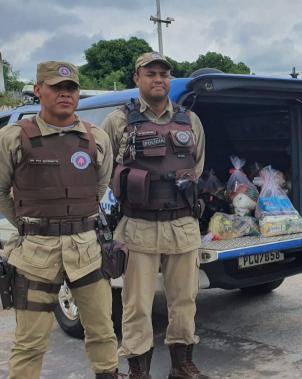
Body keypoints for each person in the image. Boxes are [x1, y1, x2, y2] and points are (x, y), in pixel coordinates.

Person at [0, 61, 122, 378]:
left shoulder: (96, 138)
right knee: (30, 344)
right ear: (38, 90)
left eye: (71, 88)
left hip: (87, 251)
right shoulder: (13, 137)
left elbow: (100, 188)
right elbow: (0, 191)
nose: (65, 94)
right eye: (57, 87)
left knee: (103, 332)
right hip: (35, 255)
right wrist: (29, 224)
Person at [101, 52, 208, 378]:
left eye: (164, 74)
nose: (158, 79)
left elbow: (197, 167)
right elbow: (103, 171)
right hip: (138, 227)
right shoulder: (118, 121)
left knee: (185, 302)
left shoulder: (190, 120)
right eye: (151, 73)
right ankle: (139, 370)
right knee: (136, 306)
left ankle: (181, 365)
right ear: (137, 78)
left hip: (182, 225)